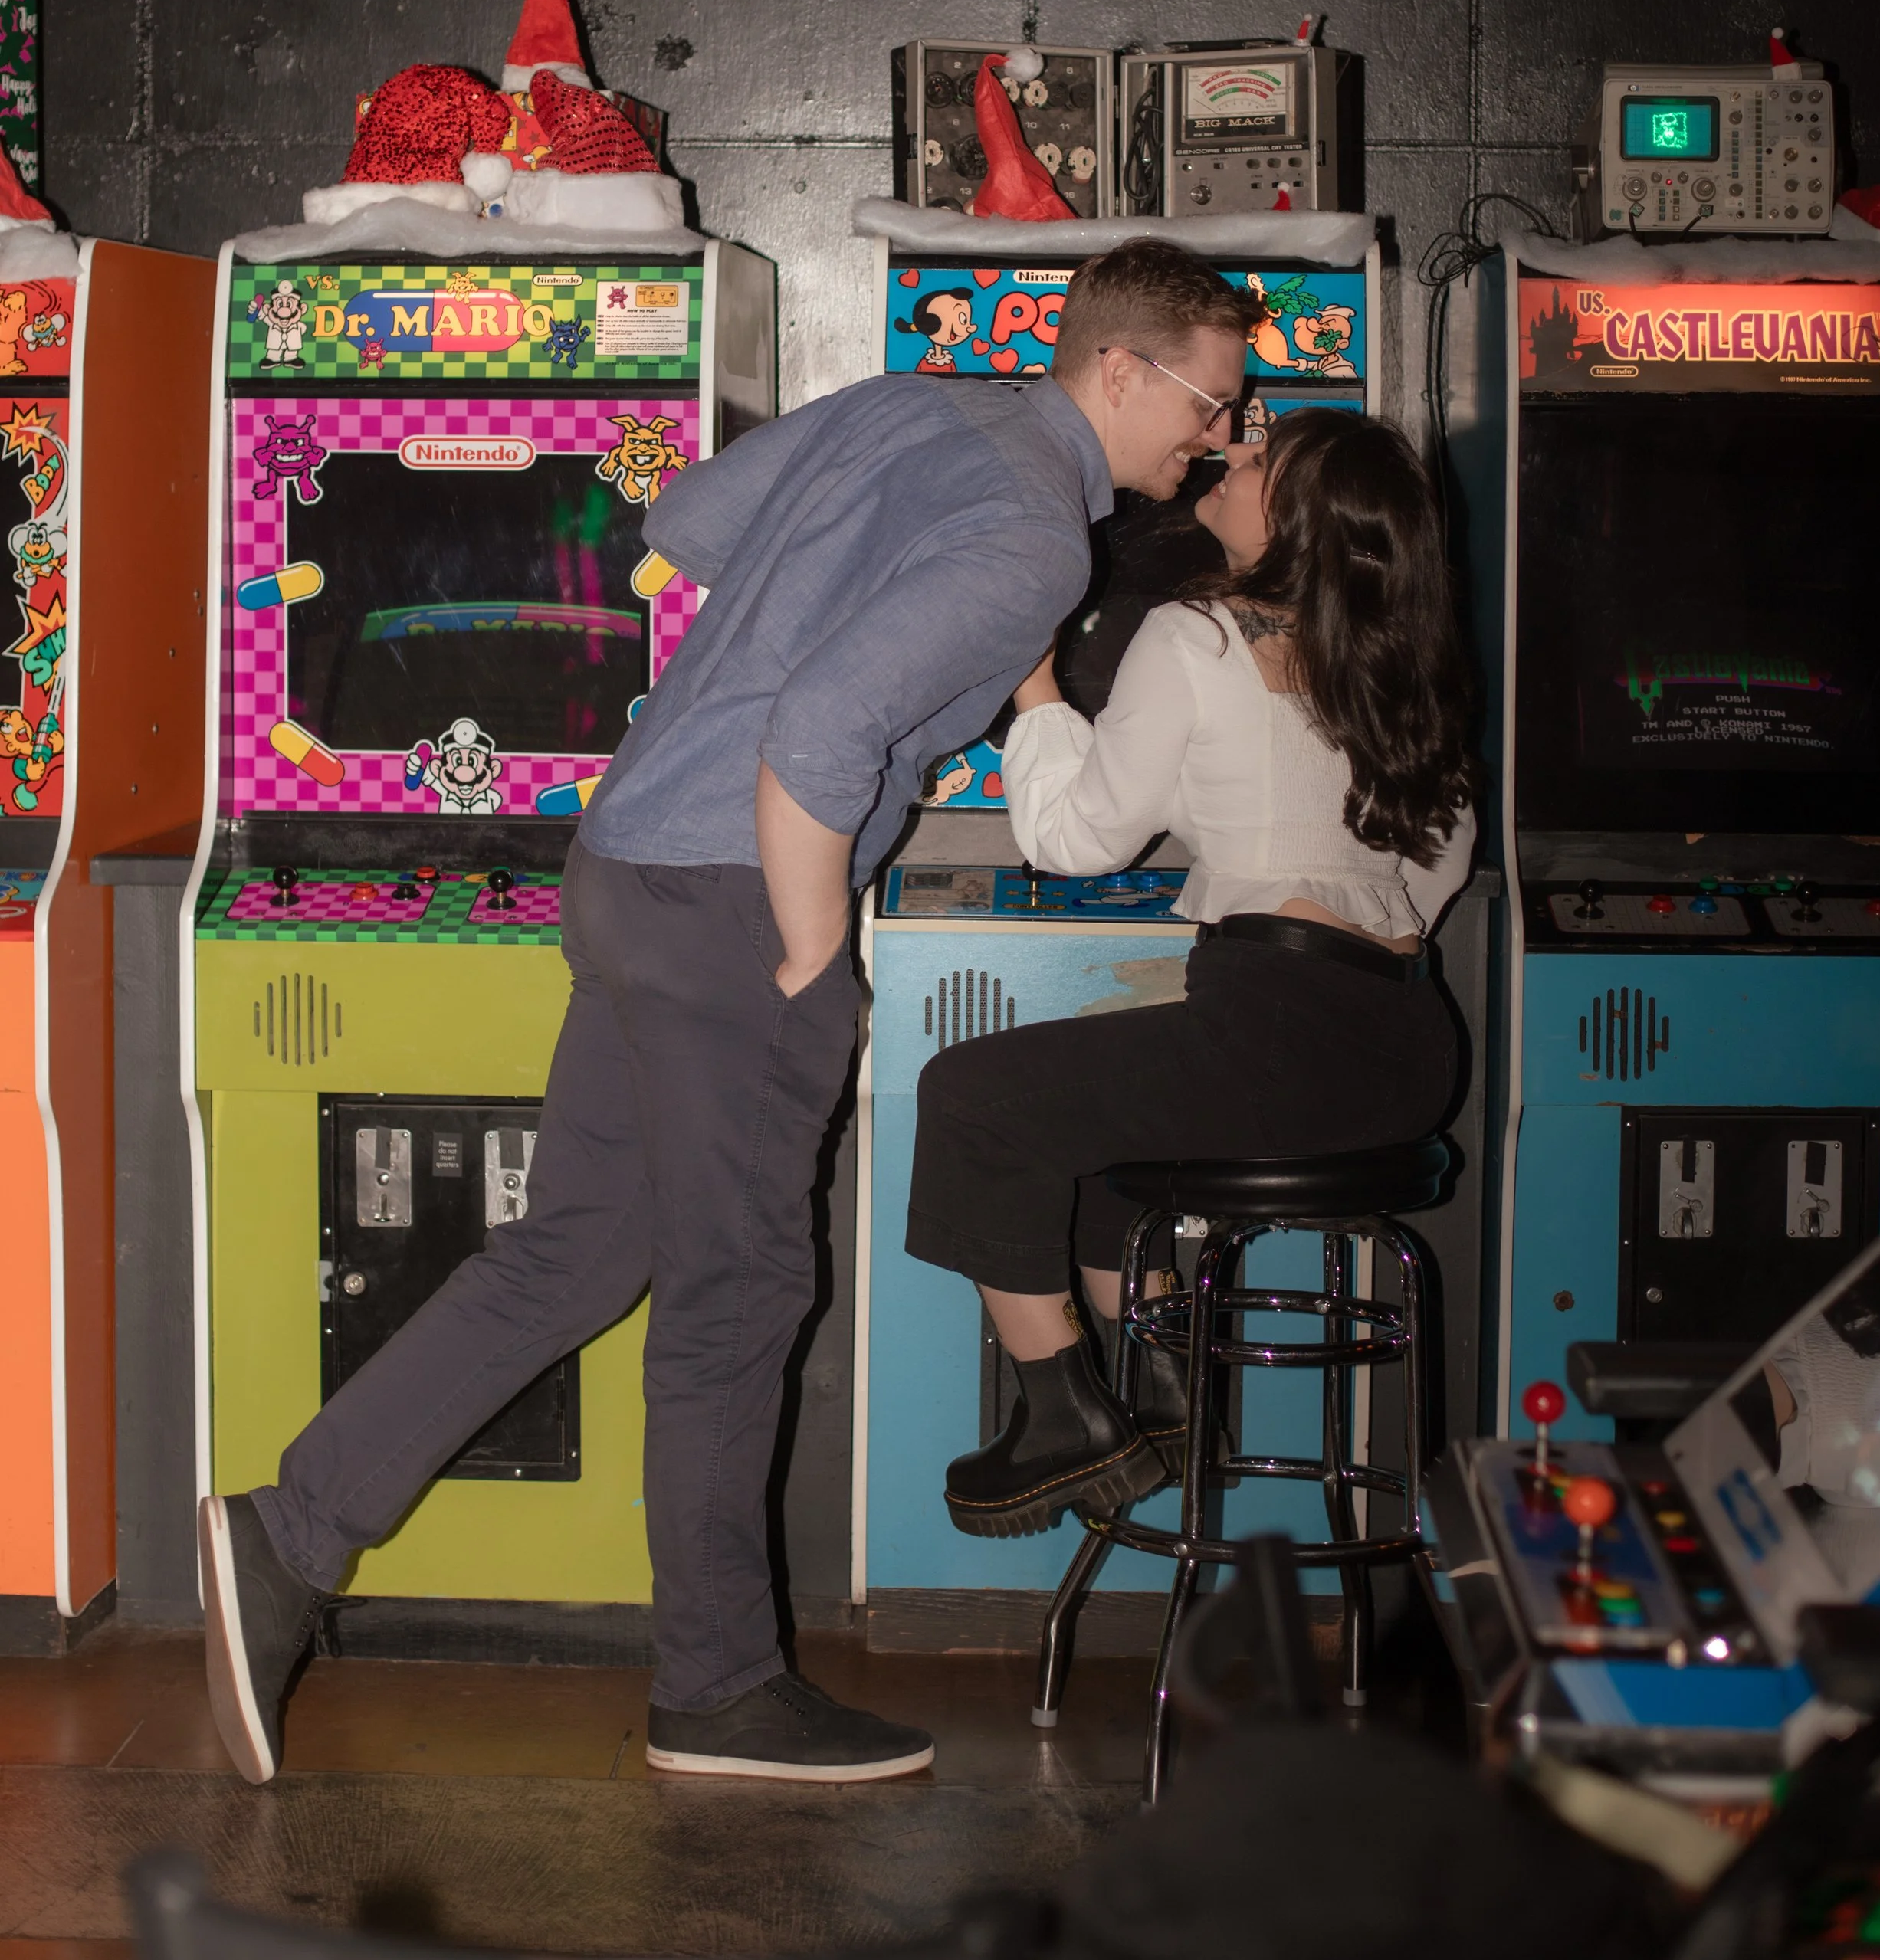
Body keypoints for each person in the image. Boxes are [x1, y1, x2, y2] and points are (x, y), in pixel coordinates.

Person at [197, 238, 1252, 1786]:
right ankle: (715, 1689)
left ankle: (287, 1536)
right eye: (1211, 404)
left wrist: (821, 598)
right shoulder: (1036, 533)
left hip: (626, 855)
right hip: (735, 903)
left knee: (584, 1247)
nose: (1215, 439)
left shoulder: (914, 402)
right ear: (1119, 369)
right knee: (734, 1296)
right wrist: (814, 943)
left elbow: (685, 522)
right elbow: (823, 729)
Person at [906, 407, 1477, 1536]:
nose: (1231, 455)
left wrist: (1036, 696)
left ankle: (1062, 1417)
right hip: (1410, 1042)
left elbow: (1073, 842)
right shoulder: (1407, 660)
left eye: (1262, 459)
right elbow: (1437, 866)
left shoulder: (1198, 634)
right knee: (1115, 1149)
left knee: (972, 1099)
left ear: (1298, 516)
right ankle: (1166, 1396)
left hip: (1282, 1030)